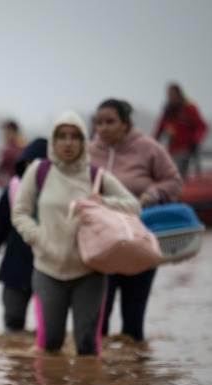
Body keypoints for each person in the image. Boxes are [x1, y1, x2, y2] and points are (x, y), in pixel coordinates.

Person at [11, 111, 140, 355]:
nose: (68, 143)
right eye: (62, 137)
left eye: (75, 137)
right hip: (47, 269)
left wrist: (100, 202)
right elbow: (20, 212)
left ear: (84, 142)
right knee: (49, 344)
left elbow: (133, 206)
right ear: (53, 141)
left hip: (90, 270)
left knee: (87, 346)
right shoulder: (39, 171)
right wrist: (37, 237)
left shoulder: (96, 176)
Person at [89, 99, 183, 342]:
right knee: (98, 324)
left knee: (133, 325)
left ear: (125, 123)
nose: (104, 128)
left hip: (141, 244)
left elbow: (173, 181)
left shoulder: (148, 148)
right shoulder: (88, 152)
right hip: (102, 247)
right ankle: (96, 378)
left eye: (110, 122)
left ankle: (136, 376)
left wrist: (152, 194)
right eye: (99, 123)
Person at [0, 138, 47, 332]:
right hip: (15, 268)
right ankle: (14, 361)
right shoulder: (12, 191)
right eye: (28, 165)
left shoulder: (58, 195)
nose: (33, 170)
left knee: (48, 327)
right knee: (13, 322)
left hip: (50, 268)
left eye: (38, 165)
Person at [153, 83, 208, 179]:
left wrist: (196, 141)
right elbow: (159, 129)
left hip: (187, 148)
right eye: (169, 94)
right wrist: (152, 142)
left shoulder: (189, 108)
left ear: (179, 94)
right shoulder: (168, 111)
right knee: (171, 171)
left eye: (173, 94)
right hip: (173, 148)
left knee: (181, 171)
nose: (171, 97)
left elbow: (202, 127)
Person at [0, 120, 26, 186]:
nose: (4, 135)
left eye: (6, 131)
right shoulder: (21, 143)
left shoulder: (16, 147)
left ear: (12, 131)